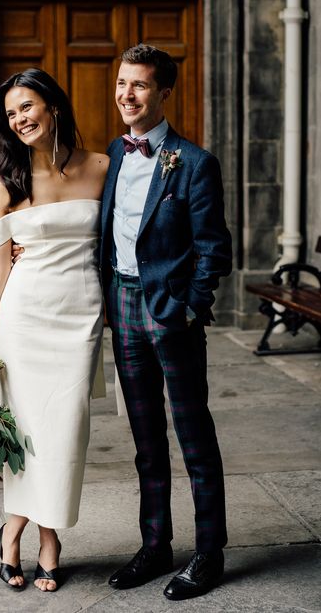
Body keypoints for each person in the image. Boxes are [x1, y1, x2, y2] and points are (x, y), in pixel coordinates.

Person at [0, 68, 109, 593]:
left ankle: (14, 524)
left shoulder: (102, 167)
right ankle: (37, 541)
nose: (20, 118)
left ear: (52, 105)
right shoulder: (7, 184)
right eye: (10, 113)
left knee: (64, 432)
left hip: (81, 318)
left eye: (27, 106)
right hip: (24, 320)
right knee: (28, 435)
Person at [100, 44, 232, 601]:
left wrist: (188, 307)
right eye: (122, 84)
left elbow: (213, 248)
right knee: (146, 440)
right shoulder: (115, 152)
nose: (127, 95)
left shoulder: (194, 163)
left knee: (193, 436)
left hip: (170, 315)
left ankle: (208, 553)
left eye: (140, 86)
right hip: (124, 310)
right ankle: (155, 546)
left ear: (164, 94)